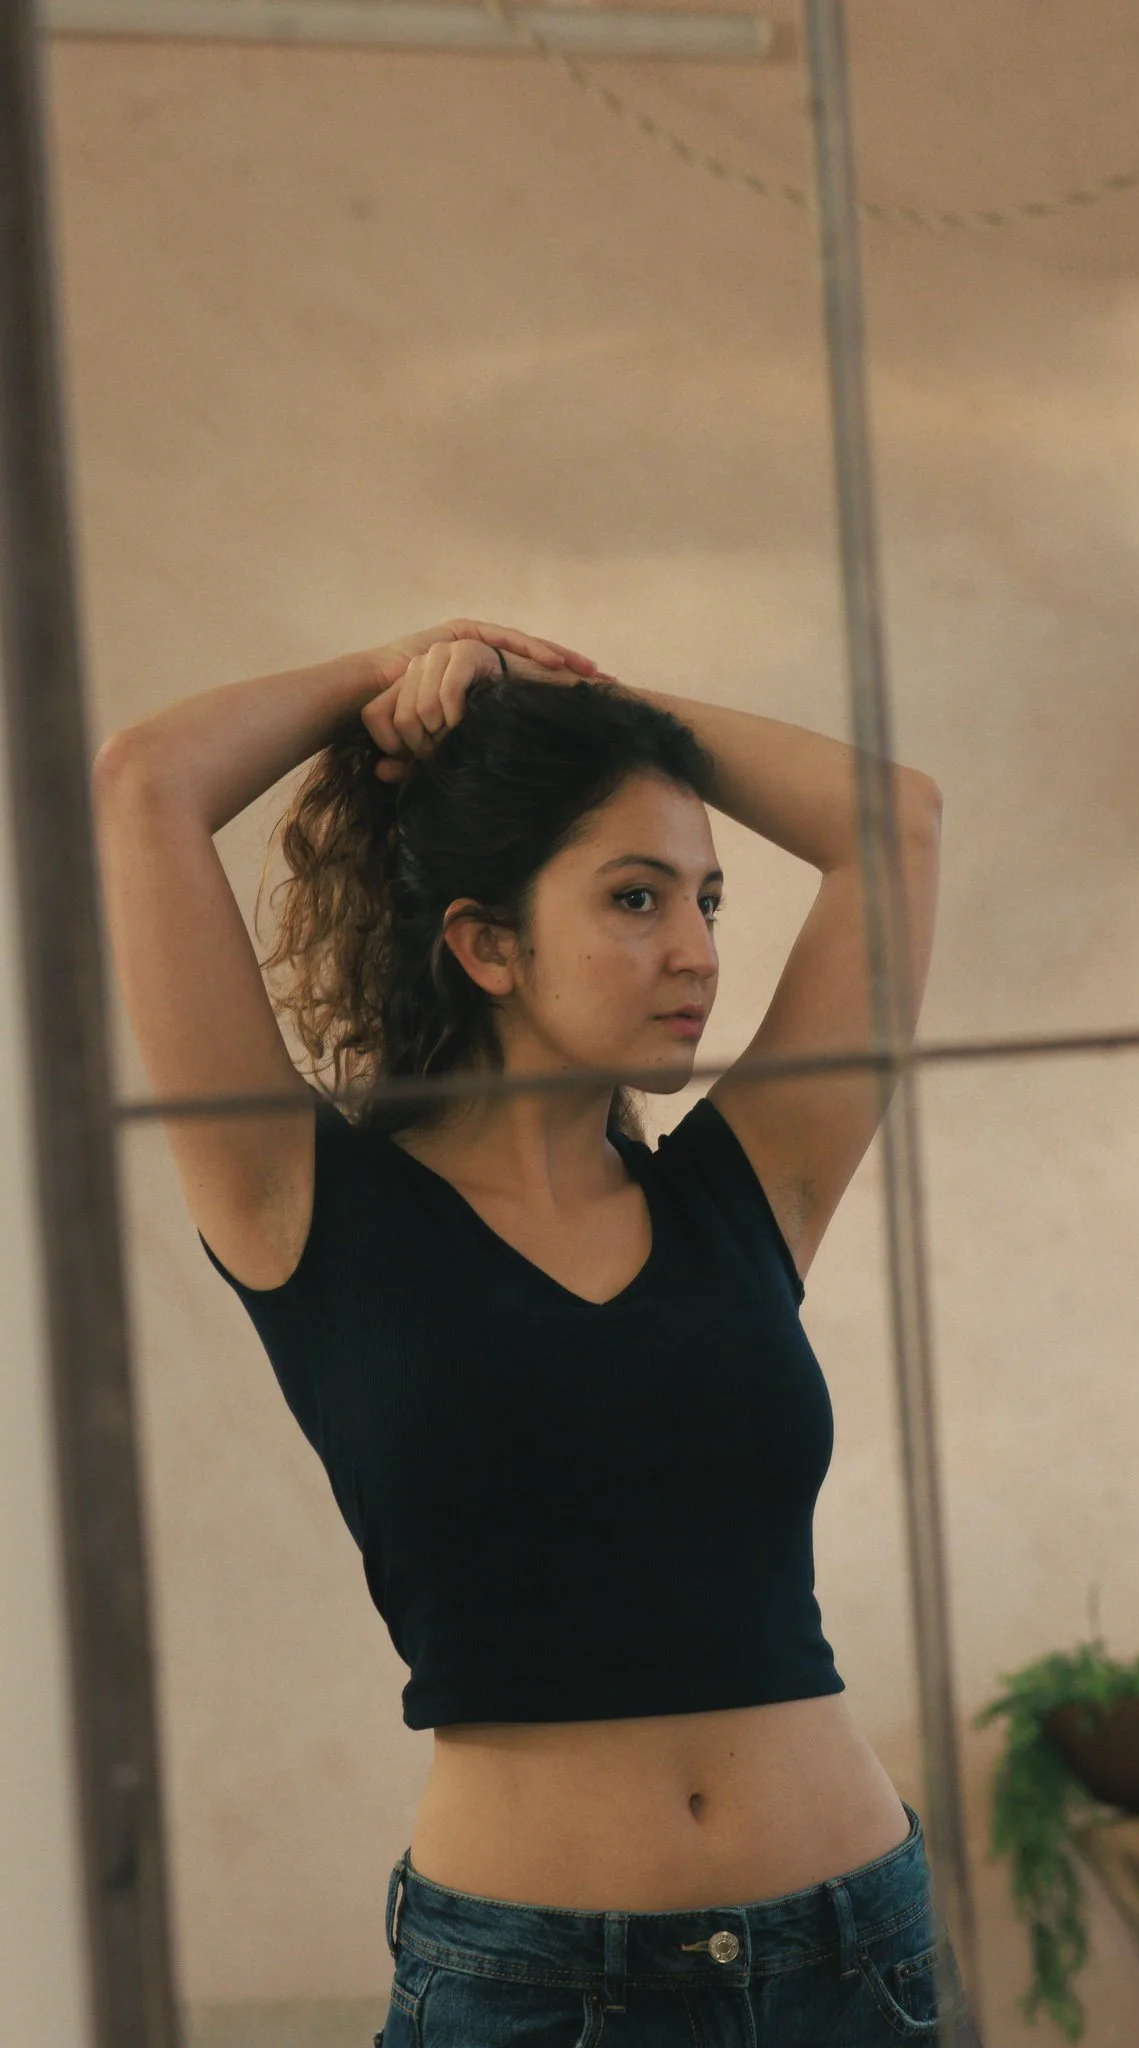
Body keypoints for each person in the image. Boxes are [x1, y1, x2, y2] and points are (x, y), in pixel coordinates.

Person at [93, 615, 980, 2045]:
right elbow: (146, 785)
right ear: (487, 944)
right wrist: (390, 673)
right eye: (637, 900)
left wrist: (580, 698)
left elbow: (896, 820)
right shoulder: (299, 1204)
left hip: (849, 1954)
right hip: (533, 1990)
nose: (696, 951)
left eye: (707, 900)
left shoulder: (747, 1189)